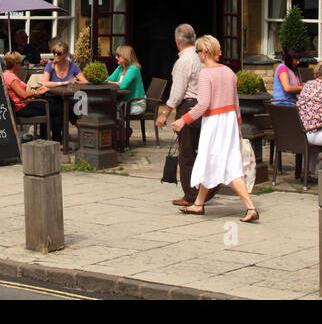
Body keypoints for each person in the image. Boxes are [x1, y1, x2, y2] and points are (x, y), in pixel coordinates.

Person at [173, 36, 260, 223]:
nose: (197, 55)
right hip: (228, 121)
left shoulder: (206, 74)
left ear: (204, 52)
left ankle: (250, 206)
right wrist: (237, 125)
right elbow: (236, 103)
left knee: (213, 160)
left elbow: (203, 103)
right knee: (214, 161)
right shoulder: (229, 72)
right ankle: (198, 203)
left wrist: (183, 120)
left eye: (197, 52)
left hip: (214, 122)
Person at [156, 23, 216, 207]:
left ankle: (191, 195)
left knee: (187, 153)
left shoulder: (183, 61)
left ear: (177, 41)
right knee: (203, 150)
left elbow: (177, 92)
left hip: (189, 107)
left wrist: (165, 113)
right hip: (206, 107)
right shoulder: (202, 57)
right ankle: (208, 187)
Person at [40, 38, 86, 143]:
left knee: (77, 105)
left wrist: (76, 81)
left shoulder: (72, 66)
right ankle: (61, 139)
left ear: (65, 54)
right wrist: (63, 83)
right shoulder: (49, 65)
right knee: (61, 108)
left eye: (58, 53)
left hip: (68, 97)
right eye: (54, 52)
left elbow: (85, 82)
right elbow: (45, 83)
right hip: (52, 97)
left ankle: (63, 139)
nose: (55, 55)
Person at [2, 51, 49, 139]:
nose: (21, 64)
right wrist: (37, 92)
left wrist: (35, 91)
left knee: (51, 105)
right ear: (15, 64)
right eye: (20, 62)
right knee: (52, 107)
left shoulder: (5, 74)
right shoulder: (11, 78)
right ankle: (50, 139)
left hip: (19, 106)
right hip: (21, 108)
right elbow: (23, 95)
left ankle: (44, 137)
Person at [107, 44, 146, 116]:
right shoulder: (120, 68)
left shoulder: (133, 69)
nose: (116, 57)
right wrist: (113, 82)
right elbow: (107, 80)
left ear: (125, 57)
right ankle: (119, 127)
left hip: (136, 105)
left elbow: (122, 86)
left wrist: (112, 83)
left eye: (118, 56)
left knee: (112, 112)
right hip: (124, 103)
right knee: (106, 108)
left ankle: (121, 127)